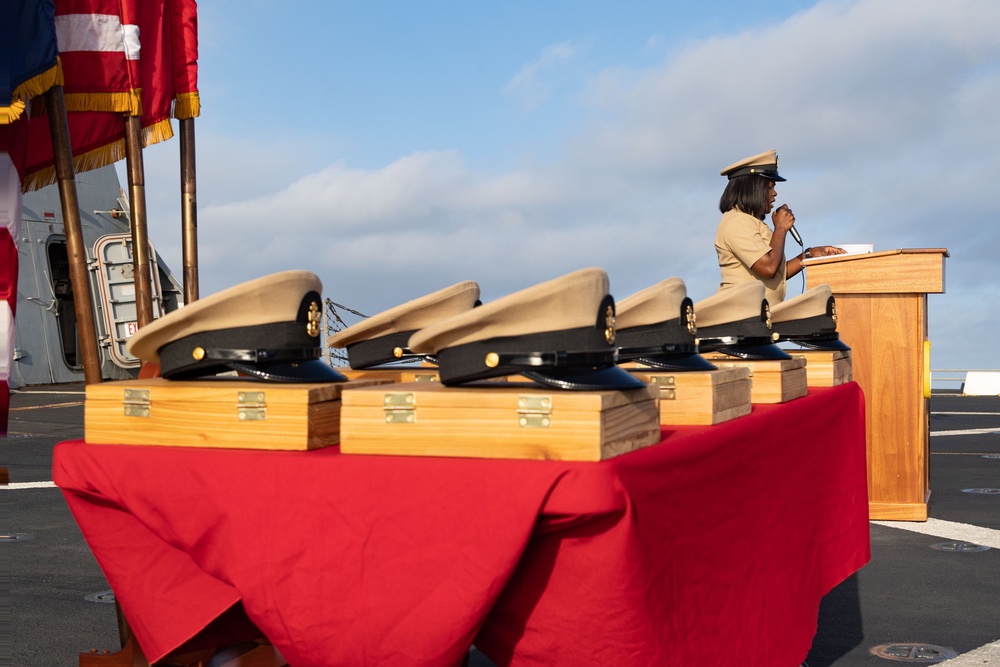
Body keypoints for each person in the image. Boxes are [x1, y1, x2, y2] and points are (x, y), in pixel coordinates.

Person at [714, 150, 845, 304]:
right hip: (742, 317)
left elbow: (776, 273)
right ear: (753, 189)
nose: (775, 193)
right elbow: (768, 268)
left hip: (758, 316)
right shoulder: (737, 222)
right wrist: (781, 228)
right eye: (770, 187)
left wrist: (807, 256)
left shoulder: (750, 222)